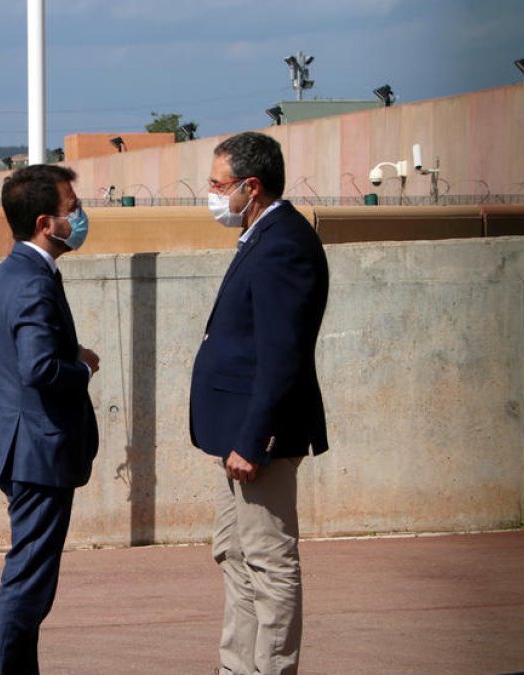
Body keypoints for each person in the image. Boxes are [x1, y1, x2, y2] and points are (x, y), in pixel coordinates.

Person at [189, 131, 330, 675]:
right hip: (233, 435)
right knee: (234, 555)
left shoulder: (284, 244)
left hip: (257, 440)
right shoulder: (259, 235)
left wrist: (253, 440)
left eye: (217, 183)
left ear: (252, 186)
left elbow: (282, 354)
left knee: (269, 561)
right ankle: (237, 668)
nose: (211, 193)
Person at [0, 163, 100, 675]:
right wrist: (81, 366)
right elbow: (39, 367)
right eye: (74, 209)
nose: (81, 215)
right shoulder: (32, 282)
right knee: (28, 582)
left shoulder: (11, 273)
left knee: (31, 581)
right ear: (46, 223)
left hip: (19, 443)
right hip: (38, 453)